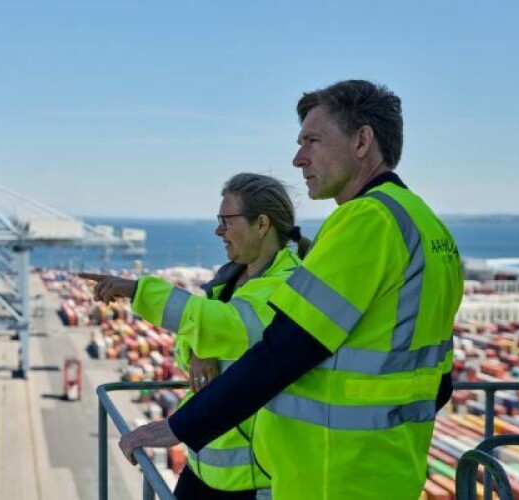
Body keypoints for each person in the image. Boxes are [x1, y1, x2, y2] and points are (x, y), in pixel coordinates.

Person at [117, 80, 463, 499]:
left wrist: (179, 425)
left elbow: (285, 350)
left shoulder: (366, 221)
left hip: (331, 477)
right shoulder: (427, 226)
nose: (298, 159)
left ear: (362, 141)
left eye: (312, 140)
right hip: (389, 471)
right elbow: (438, 382)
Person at [82, 173, 311, 499]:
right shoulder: (230, 280)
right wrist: (198, 352)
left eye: (226, 221)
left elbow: (226, 325)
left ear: (262, 224)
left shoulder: (288, 284)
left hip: (251, 479)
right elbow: (185, 344)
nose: (218, 231)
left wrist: (136, 290)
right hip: (202, 457)